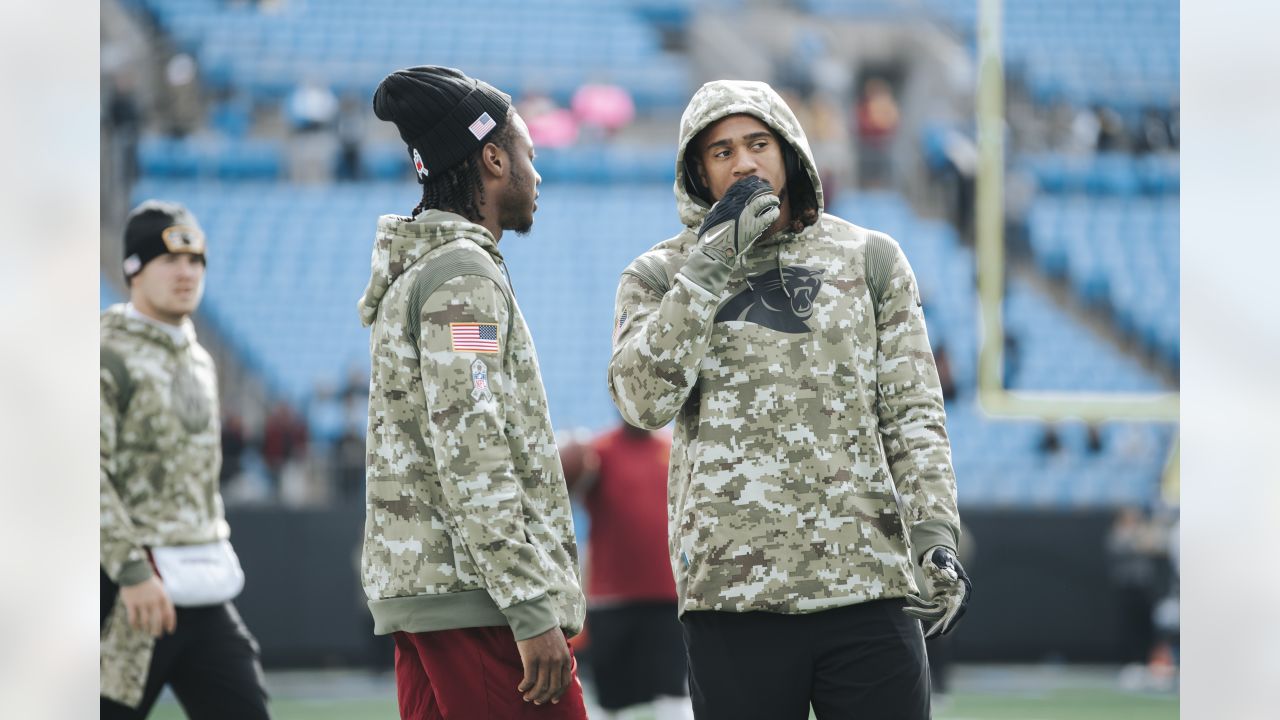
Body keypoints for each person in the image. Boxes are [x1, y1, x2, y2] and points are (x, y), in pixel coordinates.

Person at [608, 80, 971, 719]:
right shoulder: (659, 274)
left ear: (790, 152)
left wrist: (935, 533)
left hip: (868, 585)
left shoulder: (871, 258)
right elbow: (643, 402)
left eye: (758, 143)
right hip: (733, 593)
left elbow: (912, 412)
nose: (744, 162)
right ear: (698, 174)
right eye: (721, 152)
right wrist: (711, 263)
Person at [358, 65, 588, 719]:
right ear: (492, 158)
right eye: (529, 155)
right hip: (477, 599)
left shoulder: (417, 270)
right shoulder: (461, 274)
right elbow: (471, 444)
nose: (535, 175)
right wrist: (527, 604)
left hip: (431, 594)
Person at [101, 200, 270, 719]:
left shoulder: (199, 357)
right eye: (169, 260)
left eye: (196, 261)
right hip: (130, 593)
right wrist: (131, 572)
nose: (187, 272)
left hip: (201, 580)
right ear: (133, 268)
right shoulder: (106, 352)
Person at [562, 422, 693, 720]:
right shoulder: (597, 452)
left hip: (667, 595)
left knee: (674, 692)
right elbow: (565, 488)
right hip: (611, 597)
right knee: (612, 698)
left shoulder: (672, 448)